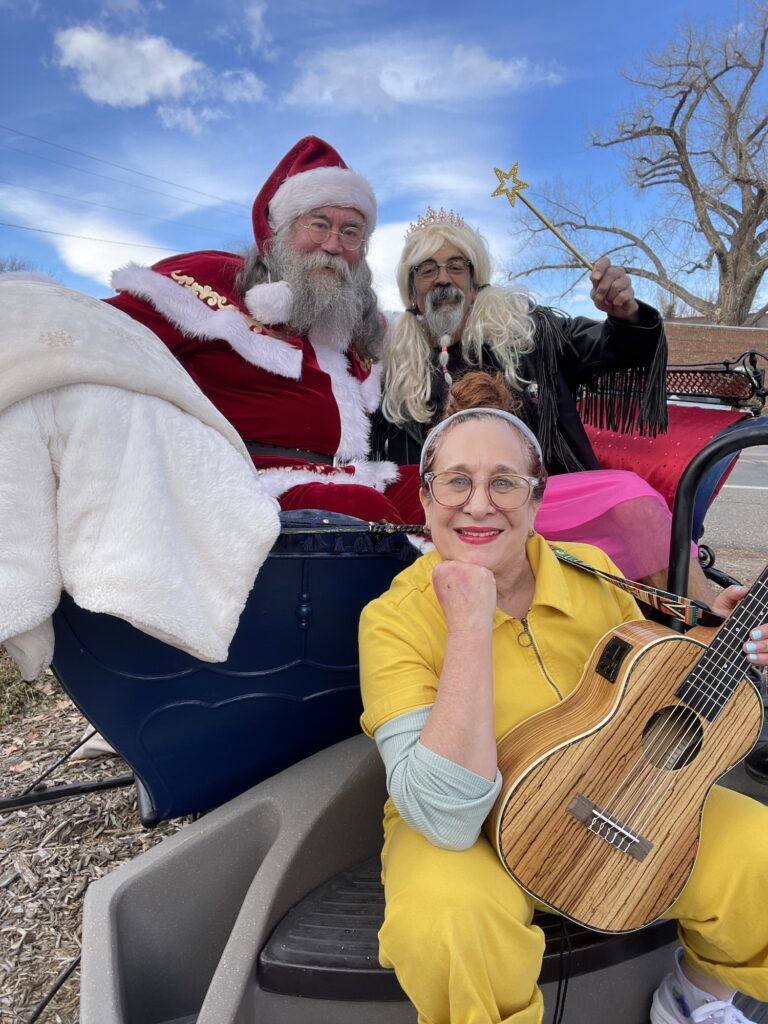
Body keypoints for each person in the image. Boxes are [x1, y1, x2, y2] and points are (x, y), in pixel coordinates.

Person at [359, 371, 768, 1024]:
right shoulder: (393, 618)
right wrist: (468, 625)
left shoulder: (590, 568)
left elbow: (647, 679)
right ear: (428, 499)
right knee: (445, 923)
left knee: (761, 852)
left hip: (613, 792)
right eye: (457, 481)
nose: (479, 504)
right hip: (476, 833)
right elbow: (443, 816)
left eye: (504, 482)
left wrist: (721, 635)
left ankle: (697, 995)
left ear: (537, 495)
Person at [372, 207, 713, 600]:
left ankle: (704, 633)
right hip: (447, 509)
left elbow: (610, 348)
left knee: (630, 499)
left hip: (539, 499)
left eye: (456, 266)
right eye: (428, 270)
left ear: (474, 280)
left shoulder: (530, 332)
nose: (444, 278)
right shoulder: (392, 365)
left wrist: (626, 315)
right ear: (411, 291)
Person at [104, 135, 407, 522]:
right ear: (280, 229)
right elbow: (99, 332)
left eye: (350, 232)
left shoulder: (347, 325)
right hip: (242, 485)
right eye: (318, 224)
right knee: (364, 511)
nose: (333, 244)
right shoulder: (215, 279)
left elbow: (425, 341)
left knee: (448, 492)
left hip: (346, 476)